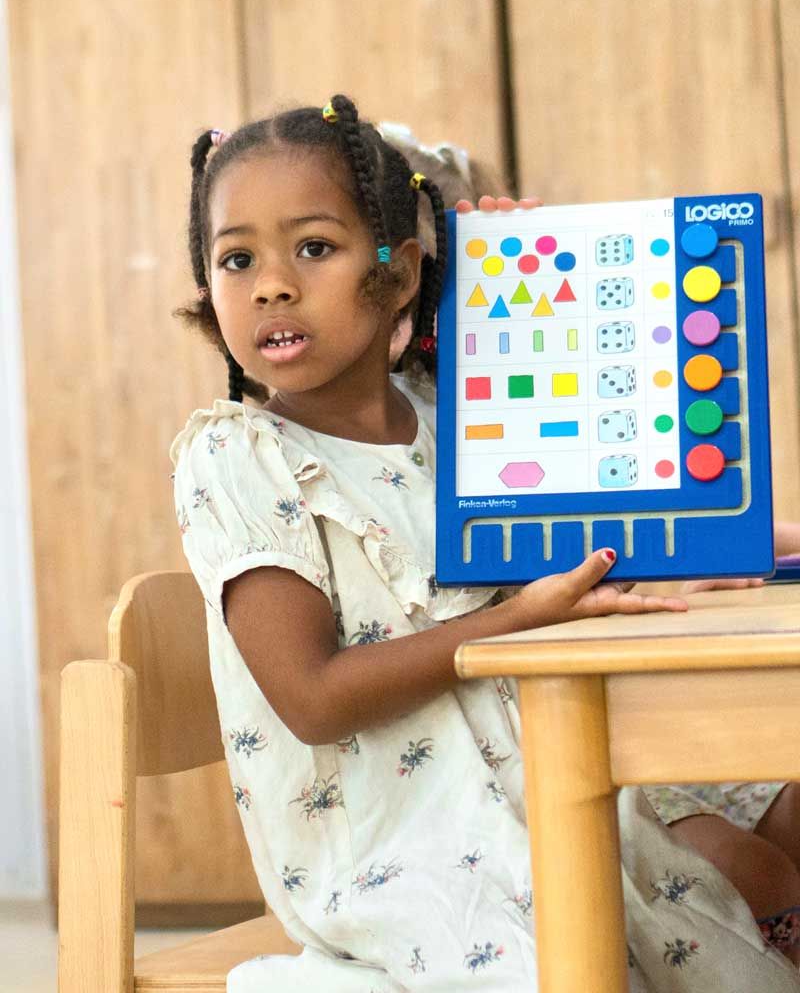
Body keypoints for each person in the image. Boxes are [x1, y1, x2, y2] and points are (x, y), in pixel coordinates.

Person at [169, 95, 800, 991]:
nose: (272, 282)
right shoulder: (235, 456)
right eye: (237, 259)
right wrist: (520, 623)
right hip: (407, 849)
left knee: (728, 936)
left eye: (313, 247)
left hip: (542, 798)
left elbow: (611, 474)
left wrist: (507, 279)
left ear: (397, 270)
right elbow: (311, 698)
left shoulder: (459, 426)